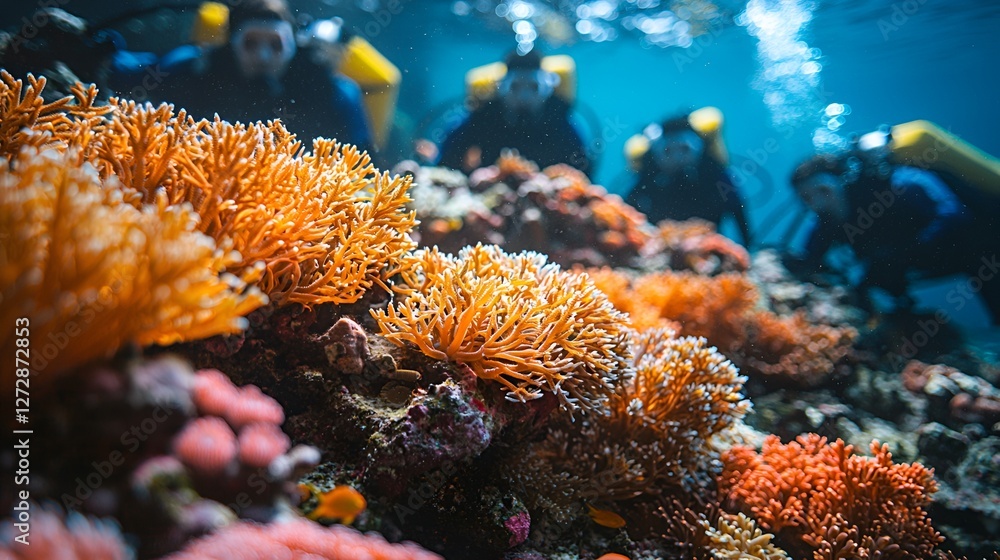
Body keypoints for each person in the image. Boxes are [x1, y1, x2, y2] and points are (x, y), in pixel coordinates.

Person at [109, 0, 372, 152]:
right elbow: (129, 71)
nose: (264, 56)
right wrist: (103, 51)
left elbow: (363, 159)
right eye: (251, 43)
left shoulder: (330, 92)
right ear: (231, 44)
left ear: (293, 45)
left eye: (276, 45)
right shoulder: (197, 66)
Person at [787, 151, 1000, 322]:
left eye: (824, 191)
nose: (818, 204)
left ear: (844, 181)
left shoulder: (899, 184)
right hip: (932, 262)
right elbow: (809, 259)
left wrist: (902, 256)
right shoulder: (827, 222)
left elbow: (956, 215)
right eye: (806, 198)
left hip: (984, 249)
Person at [437, 49, 591, 175]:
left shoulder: (557, 119)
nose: (524, 97)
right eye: (515, 87)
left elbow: (584, 173)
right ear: (501, 88)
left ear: (547, 89)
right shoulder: (484, 116)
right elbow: (446, 161)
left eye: (533, 87)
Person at [624, 112, 751, 245]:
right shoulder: (648, 178)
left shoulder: (714, 173)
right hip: (656, 250)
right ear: (656, 154)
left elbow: (738, 210)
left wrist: (747, 249)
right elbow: (625, 213)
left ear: (699, 148)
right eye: (668, 152)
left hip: (708, 251)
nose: (677, 158)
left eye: (684, 149)